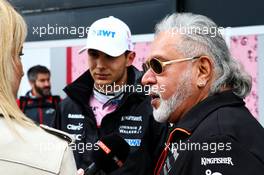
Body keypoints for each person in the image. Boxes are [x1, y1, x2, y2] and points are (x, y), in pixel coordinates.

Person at [142, 13, 264, 175]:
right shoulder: (203, 127)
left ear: (202, 71)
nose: (145, 79)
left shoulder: (218, 139)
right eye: (146, 67)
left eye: (157, 65)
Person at [53, 16, 167, 174]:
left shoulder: (151, 105)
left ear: (130, 58)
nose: (100, 65)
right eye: (94, 54)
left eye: (110, 56)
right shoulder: (67, 106)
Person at [0, 0, 77, 174]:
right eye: (19, 54)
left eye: (48, 80)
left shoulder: (59, 103)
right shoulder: (57, 152)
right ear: (31, 82)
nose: (47, 84)